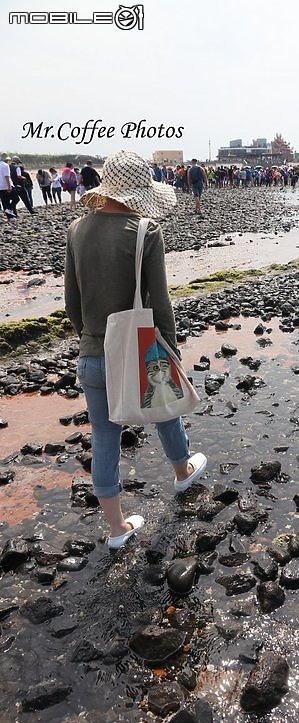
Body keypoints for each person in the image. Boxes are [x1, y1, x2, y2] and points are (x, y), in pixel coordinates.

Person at [64, 150, 207, 550]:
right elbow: (160, 305)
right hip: (139, 345)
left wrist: (92, 340)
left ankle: (116, 529)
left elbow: (71, 304)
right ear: (140, 192)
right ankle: (182, 471)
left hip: (92, 353)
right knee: (162, 406)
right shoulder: (145, 230)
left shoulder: (76, 230)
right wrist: (172, 350)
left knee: (104, 437)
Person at [0, 154, 17, 219]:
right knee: (16, 199)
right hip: (6, 185)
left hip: (0, 187)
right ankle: (9, 209)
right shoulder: (5, 165)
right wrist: (9, 186)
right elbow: (7, 176)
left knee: (5, 202)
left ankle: (10, 217)